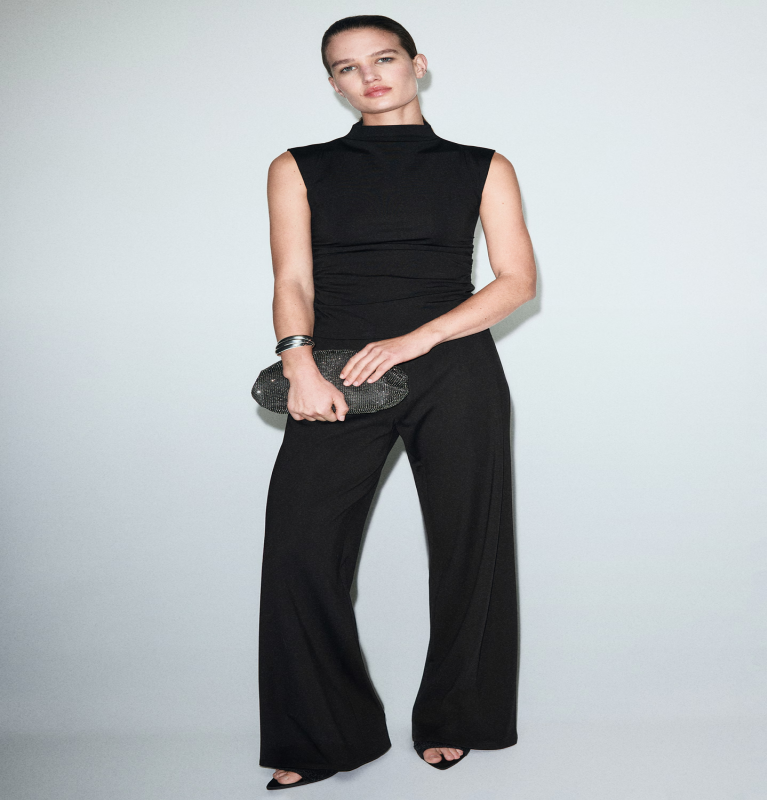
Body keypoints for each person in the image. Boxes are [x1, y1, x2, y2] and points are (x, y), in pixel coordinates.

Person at [259, 14, 537, 791]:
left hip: (455, 369)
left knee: (469, 547)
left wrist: (419, 340)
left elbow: (517, 281)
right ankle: (322, 733)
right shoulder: (298, 166)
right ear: (333, 84)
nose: (369, 76)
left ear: (418, 64)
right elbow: (292, 279)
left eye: (383, 59)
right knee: (301, 549)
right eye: (347, 68)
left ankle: (457, 717)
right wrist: (300, 364)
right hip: (336, 373)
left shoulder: (482, 165)